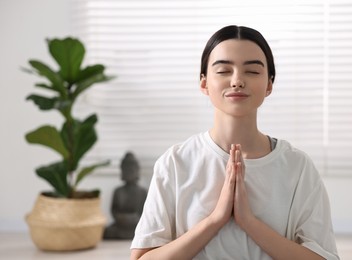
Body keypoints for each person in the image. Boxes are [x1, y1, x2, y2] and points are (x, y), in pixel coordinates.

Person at [130, 25, 339, 260]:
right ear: (204, 83)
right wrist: (215, 219)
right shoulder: (176, 162)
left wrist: (248, 222)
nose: (237, 81)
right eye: (223, 71)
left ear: (269, 84)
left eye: (252, 71)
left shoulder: (297, 167)